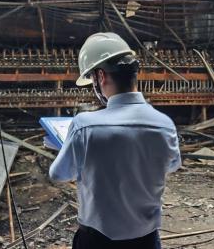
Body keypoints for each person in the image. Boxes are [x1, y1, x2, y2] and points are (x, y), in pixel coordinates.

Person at [49, 32, 181, 249]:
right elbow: (172, 165)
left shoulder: (85, 126)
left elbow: (59, 174)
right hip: (146, 241)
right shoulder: (164, 124)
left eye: (92, 78)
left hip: (97, 241)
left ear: (101, 76)